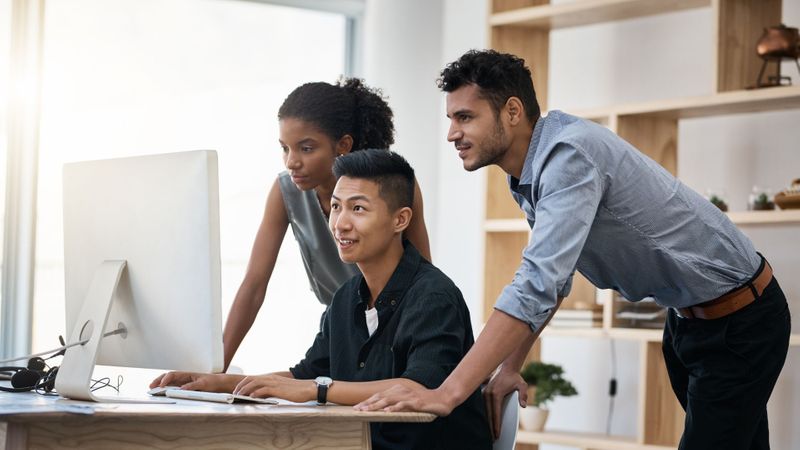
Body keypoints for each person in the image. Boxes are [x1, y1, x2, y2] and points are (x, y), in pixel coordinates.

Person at [355, 50, 791, 450]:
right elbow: (555, 281)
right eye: (451, 119)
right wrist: (510, 366)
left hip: (740, 319)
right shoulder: (526, 174)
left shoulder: (568, 155)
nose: (452, 133)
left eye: (465, 117)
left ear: (512, 111)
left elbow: (535, 282)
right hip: (688, 323)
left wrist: (449, 392)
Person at [152, 149, 492, 450]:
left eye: (358, 208)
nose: (340, 224)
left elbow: (417, 389)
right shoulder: (345, 298)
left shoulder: (433, 297)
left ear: (400, 219)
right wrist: (216, 384)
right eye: (335, 207)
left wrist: (317, 390)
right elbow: (308, 373)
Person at [223, 79, 431, 371]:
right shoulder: (285, 192)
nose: (291, 162)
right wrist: (217, 366)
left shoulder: (394, 185)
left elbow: (424, 276)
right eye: (285, 148)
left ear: (343, 145)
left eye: (306, 149)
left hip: (398, 327)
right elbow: (254, 284)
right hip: (341, 328)